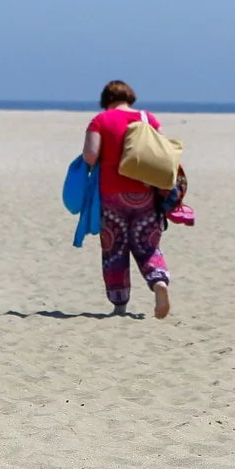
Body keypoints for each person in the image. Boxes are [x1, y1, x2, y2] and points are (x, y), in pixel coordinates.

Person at [82, 79, 173, 317]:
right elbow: (164, 153)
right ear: (129, 97)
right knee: (148, 245)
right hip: (146, 194)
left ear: (106, 100)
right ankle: (158, 282)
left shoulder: (100, 120)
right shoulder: (147, 118)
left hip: (112, 195)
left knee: (115, 248)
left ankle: (120, 305)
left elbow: (90, 156)